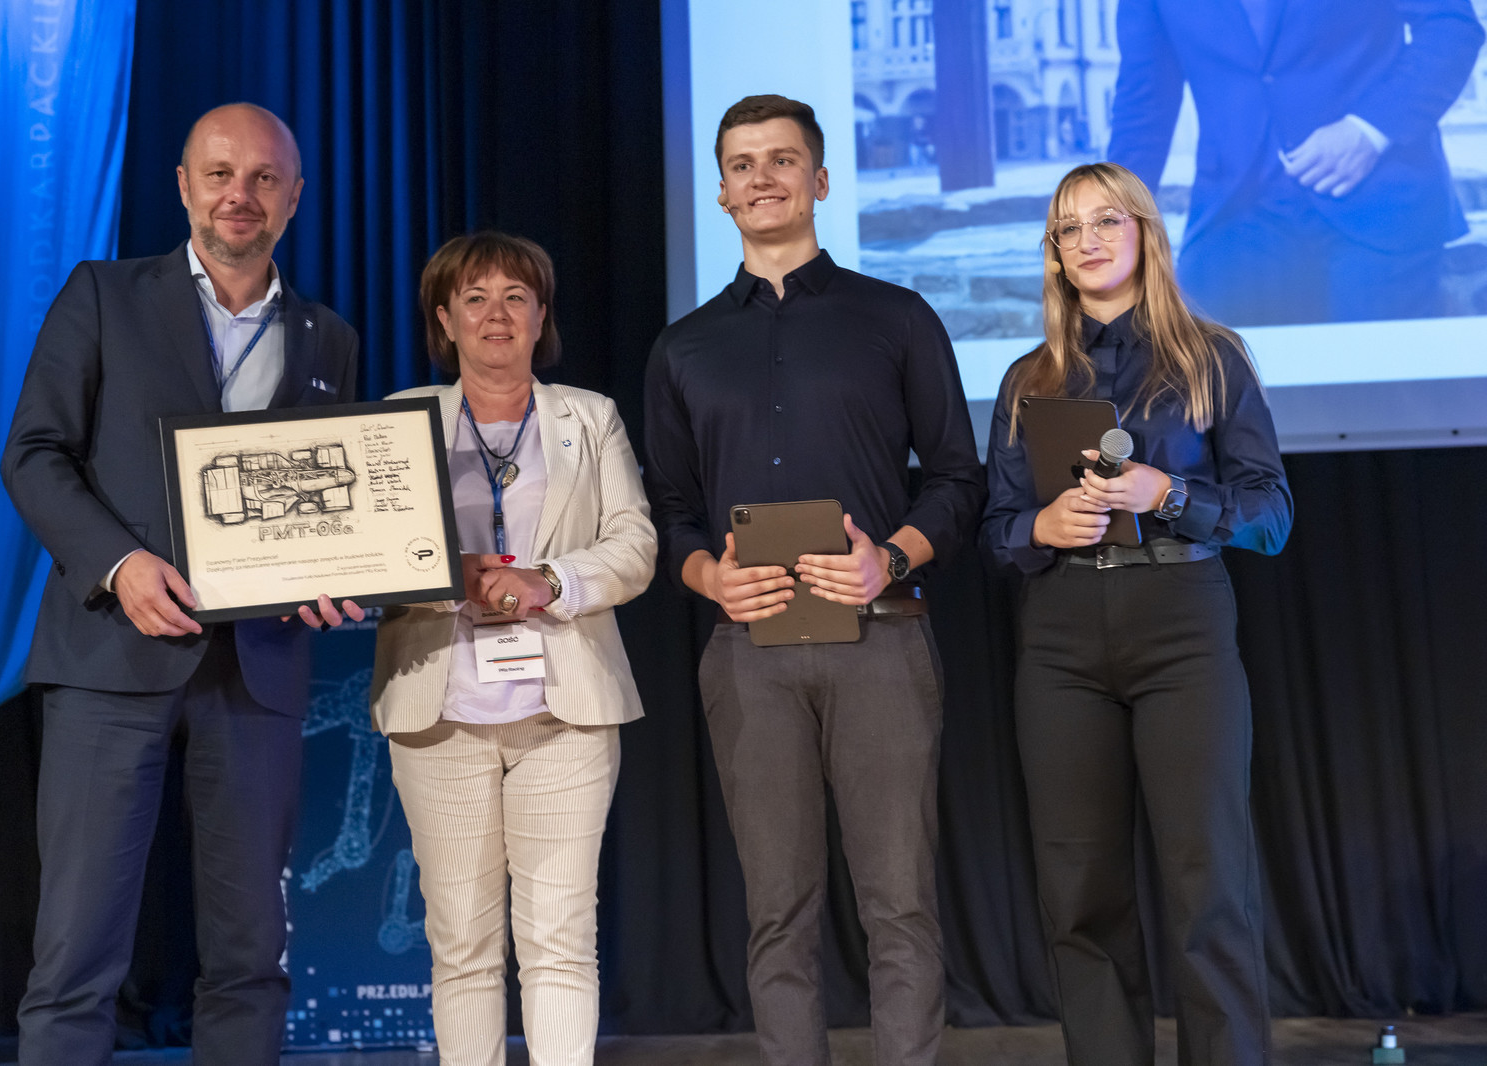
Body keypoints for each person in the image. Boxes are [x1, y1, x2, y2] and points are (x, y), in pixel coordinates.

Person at [1, 103, 361, 1066]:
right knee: (76, 955)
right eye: (220, 173)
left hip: (258, 671)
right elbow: (33, 455)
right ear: (183, 185)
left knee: (252, 958)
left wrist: (333, 577)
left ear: (294, 196)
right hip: (110, 659)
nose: (241, 194)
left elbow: (329, 507)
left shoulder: (328, 337)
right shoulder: (104, 295)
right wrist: (120, 565)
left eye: (264, 178)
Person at [644, 95, 986, 1066]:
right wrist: (707, 576)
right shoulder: (682, 348)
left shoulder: (897, 317)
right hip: (748, 650)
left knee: (900, 904)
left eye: (782, 159)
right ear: (721, 192)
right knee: (776, 912)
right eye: (742, 164)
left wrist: (892, 557)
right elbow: (668, 509)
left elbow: (957, 479)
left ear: (821, 180)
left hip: (881, 637)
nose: (762, 177)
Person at [980, 161, 1293, 1065]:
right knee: (1079, 892)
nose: (1088, 241)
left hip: (1180, 623)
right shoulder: (1028, 378)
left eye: (1106, 220)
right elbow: (998, 530)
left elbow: (1271, 515)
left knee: (1208, 884)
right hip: (1062, 637)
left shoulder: (1211, 356)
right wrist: (1039, 526)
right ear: (1054, 253)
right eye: (1068, 228)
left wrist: (1170, 495)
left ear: (1145, 233)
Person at [370, 232, 655, 1066]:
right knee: (461, 944)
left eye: (516, 297)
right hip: (439, 713)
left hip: (564, 712)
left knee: (560, 939)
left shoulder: (590, 417)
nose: (496, 314)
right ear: (444, 320)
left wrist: (549, 581)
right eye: (475, 298)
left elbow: (635, 544)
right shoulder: (398, 418)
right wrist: (443, 576)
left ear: (540, 317)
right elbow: (368, 555)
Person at [1109, 0, 1484, 325]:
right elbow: (1145, 99)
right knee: (1206, 374)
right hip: (1234, 209)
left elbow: (1450, 25)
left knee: (1377, 378)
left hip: (1378, 197)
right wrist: (1113, 220)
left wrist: (1369, 129)